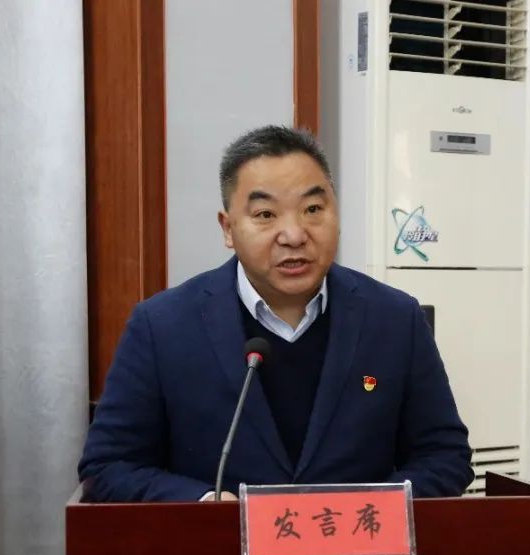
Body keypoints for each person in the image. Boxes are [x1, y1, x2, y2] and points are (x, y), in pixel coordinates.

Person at [79, 125, 472, 502]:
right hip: (220, 547)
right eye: (266, 215)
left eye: (313, 209)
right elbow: (108, 465)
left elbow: (444, 455)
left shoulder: (395, 319)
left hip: (358, 546)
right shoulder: (162, 326)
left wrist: (371, 509)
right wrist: (203, 504)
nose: (294, 235)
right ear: (228, 228)